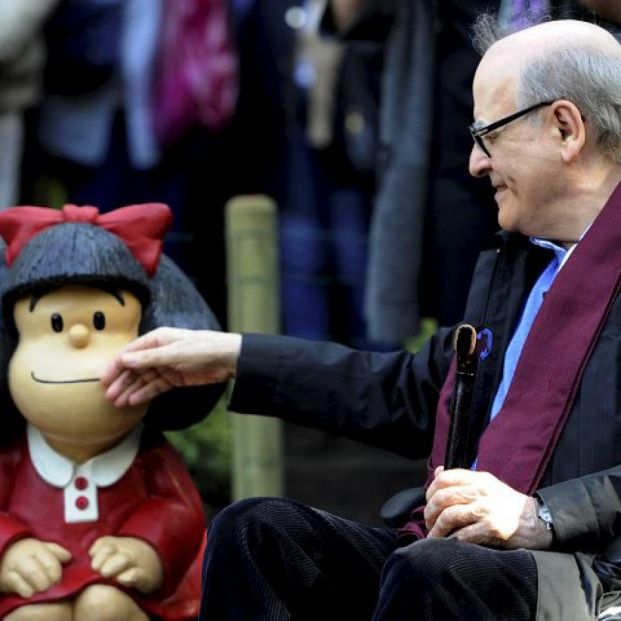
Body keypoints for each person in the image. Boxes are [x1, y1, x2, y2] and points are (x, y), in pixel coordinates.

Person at [103, 17, 621, 620]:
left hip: (592, 574)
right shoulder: (517, 267)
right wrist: (234, 356)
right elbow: (412, 393)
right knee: (257, 532)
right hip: (453, 560)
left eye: (488, 135)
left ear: (565, 128)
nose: (475, 163)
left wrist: (544, 515)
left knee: (434, 570)